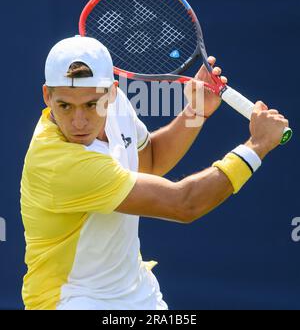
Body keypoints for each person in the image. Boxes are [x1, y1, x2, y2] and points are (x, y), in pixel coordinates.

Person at [20, 35, 289, 310]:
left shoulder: (116, 107)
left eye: (91, 105)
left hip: (137, 293)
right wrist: (257, 146)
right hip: (70, 302)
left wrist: (196, 111)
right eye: (65, 105)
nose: (78, 121)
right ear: (47, 96)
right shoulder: (58, 164)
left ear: (112, 93)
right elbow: (185, 204)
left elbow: (150, 161)